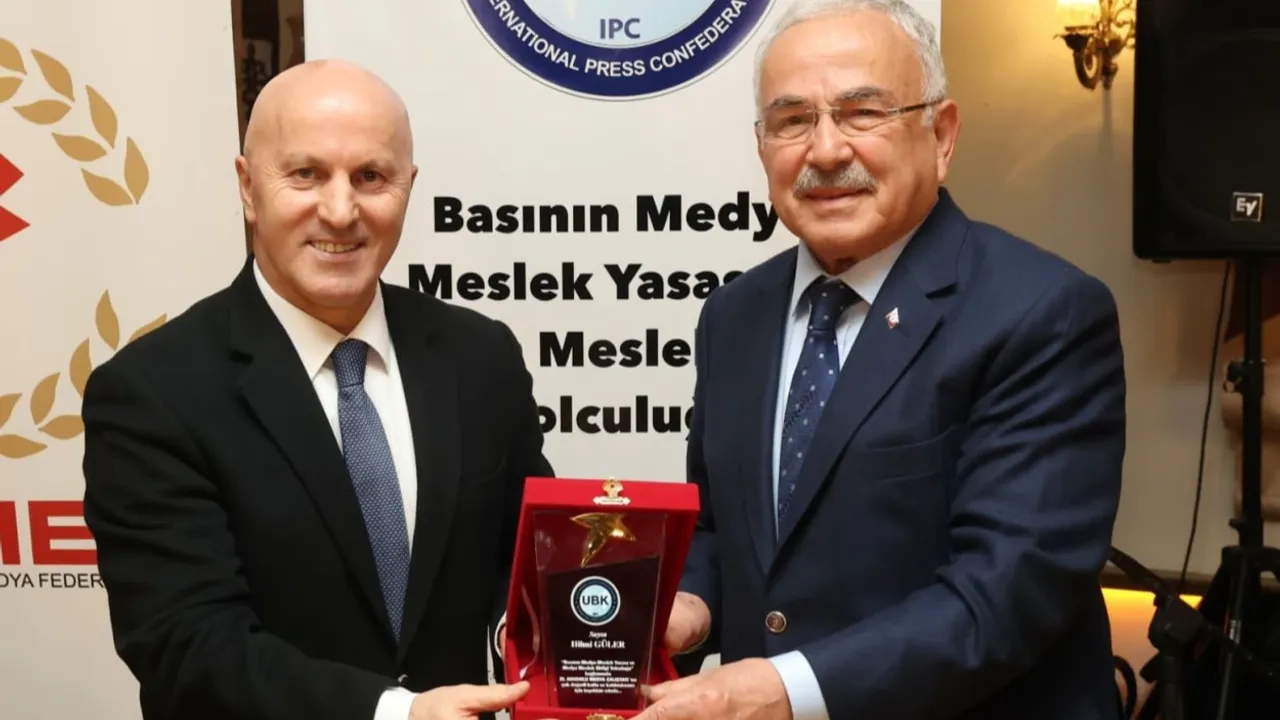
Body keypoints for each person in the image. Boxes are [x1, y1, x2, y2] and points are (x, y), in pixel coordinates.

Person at [640, 1, 1127, 719]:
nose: (825, 151)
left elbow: (1007, 591)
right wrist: (689, 606)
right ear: (762, 145)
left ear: (943, 135)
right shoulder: (734, 315)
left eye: (862, 113)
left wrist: (787, 691)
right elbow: (720, 528)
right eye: (792, 121)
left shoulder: (1041, 311)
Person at [81, 59, 550, 720]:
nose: (340, 210)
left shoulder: (480, 356)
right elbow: (185, 644)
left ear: (408, 186)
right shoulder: (151, 394)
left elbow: (525, 563)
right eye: (305, 174)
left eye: (371, 177)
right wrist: (397, 713)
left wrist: (569, 637)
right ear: (248, 188)